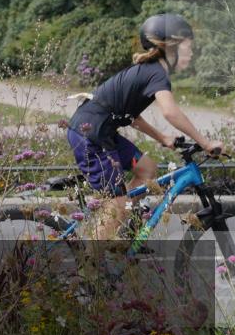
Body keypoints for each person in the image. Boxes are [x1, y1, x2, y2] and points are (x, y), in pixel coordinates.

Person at [66, 14, 225, 240]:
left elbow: (133, 116)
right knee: (117, 204)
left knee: (147, 170)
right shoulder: (157, 74)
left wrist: (162, 137)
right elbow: (170, 112)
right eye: (189, 47)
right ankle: (90, 266)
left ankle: (117, 226)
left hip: (100, 131)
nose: (192, 53)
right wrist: (205, 142)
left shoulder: (150, 71)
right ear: (170, 47)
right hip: (91, 135)